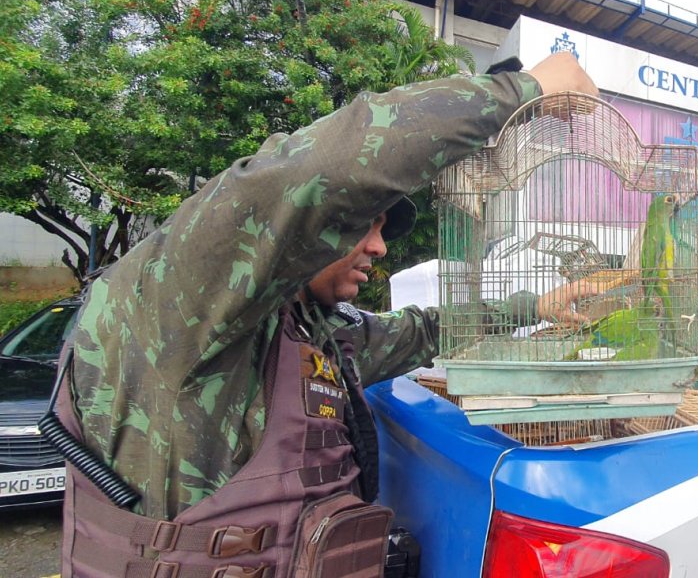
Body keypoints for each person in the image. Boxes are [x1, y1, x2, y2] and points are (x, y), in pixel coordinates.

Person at [57, 52, 597, 577]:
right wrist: (525, 89)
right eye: (367, 224)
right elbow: (321, 170)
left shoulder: (308, 331)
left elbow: (421, 332)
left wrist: (536, 305)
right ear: (307, 226)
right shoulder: (176, 303)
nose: (380, 247)